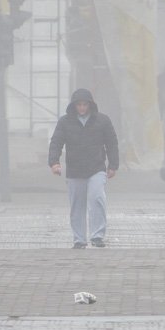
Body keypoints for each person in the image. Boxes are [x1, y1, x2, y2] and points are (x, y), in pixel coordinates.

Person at [48, 88, 119, 248]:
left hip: (96, 168)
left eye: (84, 104)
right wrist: (54, 162)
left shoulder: (103, 121)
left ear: (90, 105)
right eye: (79, 105)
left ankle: (97, 236)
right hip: (75, 170)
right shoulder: (65, 122)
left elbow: (112, 143)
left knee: (97, 199)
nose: (82, 108)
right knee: (77, 206)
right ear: (74, 106)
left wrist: (113, 165)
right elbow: (56, 142)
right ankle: (79, 239)